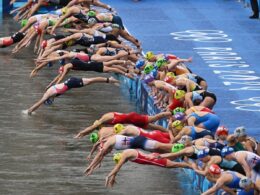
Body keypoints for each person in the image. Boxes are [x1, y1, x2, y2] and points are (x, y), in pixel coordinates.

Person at [84, 135, 175, 175]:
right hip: (140, 144)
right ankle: (179, 153)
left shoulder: (108, 143)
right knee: (162, 150)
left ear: (104, 147)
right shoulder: (109, 142)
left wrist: (90, 166)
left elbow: (99, 155)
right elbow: (100, 156)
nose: (108, 153)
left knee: (163, 146)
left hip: (141, 142)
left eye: (105, 151)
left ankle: (182, 147)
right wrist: (92, 167)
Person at [24, 76, 119, 115]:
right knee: (91, 81)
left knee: (91, 81)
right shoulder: (50, 94)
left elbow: (38, 103)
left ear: (49, 100)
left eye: (51, 101)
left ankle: (110, 80)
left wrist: (29, 111)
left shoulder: (49, 94)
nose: (53, 101)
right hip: (70, 82)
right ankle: (109, 80)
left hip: (71, 83)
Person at [105, 149, 190, 187]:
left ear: (120, 158)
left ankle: (193, 167)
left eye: (122, 161)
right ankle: (187, 155)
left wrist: (109, 176)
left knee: (177, 165)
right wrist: (113, 177)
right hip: (153, 155)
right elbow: (118, 166)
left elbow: (118, 166)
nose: (124, 162)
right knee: (173, 158)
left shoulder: (125, 155)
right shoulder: (125, 152)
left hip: (154, 160)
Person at [74, 111, 172, 138]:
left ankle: (172, 114)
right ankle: (169, 132)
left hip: (134, 118)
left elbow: (92, 128)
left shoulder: (105, 119)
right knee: (152, 127)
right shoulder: (107, 121)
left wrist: (82, 133)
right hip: (132, 120)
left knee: (155, 118)